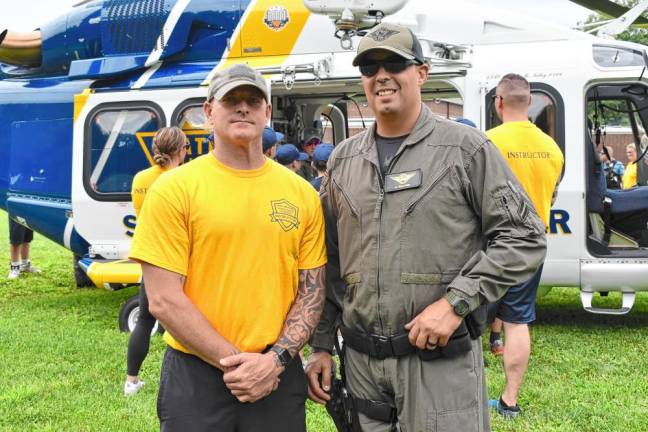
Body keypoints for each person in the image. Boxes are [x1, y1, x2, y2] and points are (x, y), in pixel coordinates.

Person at [305, 23, 547, 432]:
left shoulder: (466, 150)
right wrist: (322, 345)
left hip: (439, 366)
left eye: (394, 63)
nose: (381, 75)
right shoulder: (344, 161)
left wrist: (455, 303)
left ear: (421, 72)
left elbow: (525, 236)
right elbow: (329, 261)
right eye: (369, 67)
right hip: (362, 366)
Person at [129, 63, 327, 431]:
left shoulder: (301, 193)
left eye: (253, 100)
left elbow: (312, 289)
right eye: (231, 99)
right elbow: (163, 300)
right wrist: (240, 365)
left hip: (277, 372)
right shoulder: (175, 189)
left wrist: (273, 363)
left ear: (267, 111)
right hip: (197, 375)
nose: (242, 107)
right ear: (209, 111)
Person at [486, 73, 564, 418]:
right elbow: (552, 194)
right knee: (517, 320)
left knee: (468, 317)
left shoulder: (485, 142)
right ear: (529, 102)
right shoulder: (552, 148)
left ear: (498, 102)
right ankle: (510, 402)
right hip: (531, 244)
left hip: (489, 242)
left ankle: (465, 395)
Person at [124, 126, 188, 396]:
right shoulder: (183, 178)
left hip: (150, 256)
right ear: (180, 150)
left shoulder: (140, 178)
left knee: (145, 320)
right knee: (186, 321)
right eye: (186, 147)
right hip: (179, 256)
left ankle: (131, 381)